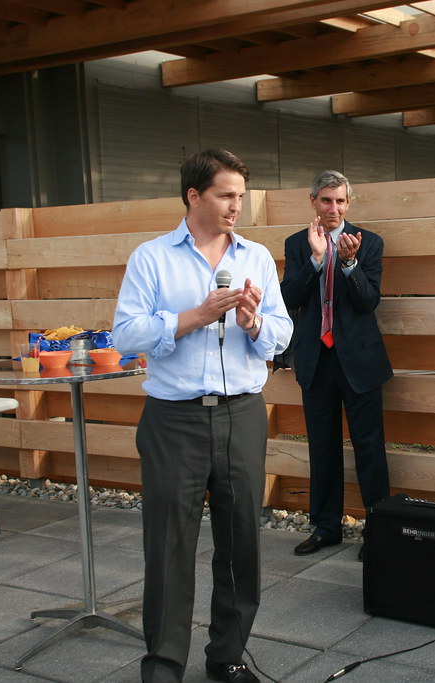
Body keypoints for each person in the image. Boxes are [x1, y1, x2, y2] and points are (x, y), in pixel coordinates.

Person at [112, 148, 293, 683]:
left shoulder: (256, 257)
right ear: (194, 195)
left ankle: (228, 657)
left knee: (242, 542)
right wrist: (194, 317)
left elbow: (283, 335)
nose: (237, 206)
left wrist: (254, 321)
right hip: (174, 420)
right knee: (168, 546)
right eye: (226, 195)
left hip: (243, 414)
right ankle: (164, 666)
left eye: (241, 196)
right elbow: (126, 335)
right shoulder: (151, 258)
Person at [281, 170, 392, 559]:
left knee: (369, 448)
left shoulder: (369, 243)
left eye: (340, 201)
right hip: (317, 361)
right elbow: (288, 298)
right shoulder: (297, 244)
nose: (333, 208)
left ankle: (378, 530)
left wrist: (348, 264)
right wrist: (315, 259)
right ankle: (326, 527)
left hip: (359, 362)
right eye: (326, 200)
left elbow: (368, 302)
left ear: (348, 203)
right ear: (313, 201)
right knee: (321, 448)